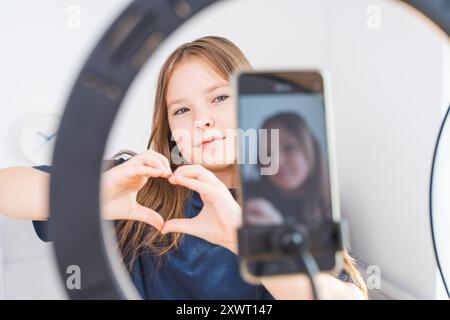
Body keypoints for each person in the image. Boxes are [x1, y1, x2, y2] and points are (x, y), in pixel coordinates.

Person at [0, 36, 367, 299]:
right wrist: (95, 195)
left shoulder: (294, 197)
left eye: (220, 98)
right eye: (181, 110)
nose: (202, 120)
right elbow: (8, 190)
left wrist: (245, 239)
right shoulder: (138, 186)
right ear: (170, 130)